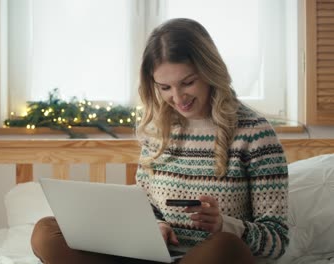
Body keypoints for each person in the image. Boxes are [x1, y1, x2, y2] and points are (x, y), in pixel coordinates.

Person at [31, 18, 289, 264]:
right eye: (165, 87)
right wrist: (156, 226)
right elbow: (147, 208)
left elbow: (277, 240)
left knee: (226, 246)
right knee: (46, 232)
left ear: (210, 72)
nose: (178, 98)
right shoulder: (157, 130)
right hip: (149, 256)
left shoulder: (255, 134)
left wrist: (225, 224)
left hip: (209, 258)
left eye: (187, 82)